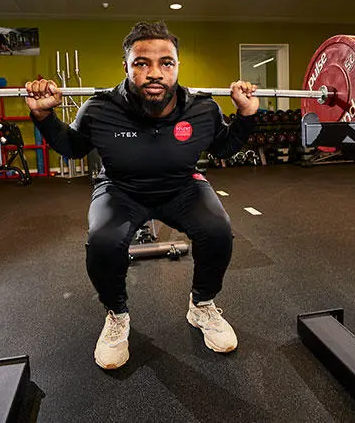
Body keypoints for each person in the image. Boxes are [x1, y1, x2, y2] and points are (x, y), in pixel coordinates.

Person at [26, 21, 258, 370]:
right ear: (126, 66)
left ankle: (202, 306)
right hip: (121, 188)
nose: (155, 73)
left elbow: (224, 146)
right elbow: (73, 148)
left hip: (181, 186)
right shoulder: (99, 108)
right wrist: (44, 116)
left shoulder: (202, 108)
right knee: (103, 240)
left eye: (166, 63)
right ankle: (117, 314)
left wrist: (246, 116)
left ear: (177, 67)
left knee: (218, 231)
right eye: (141, 63)